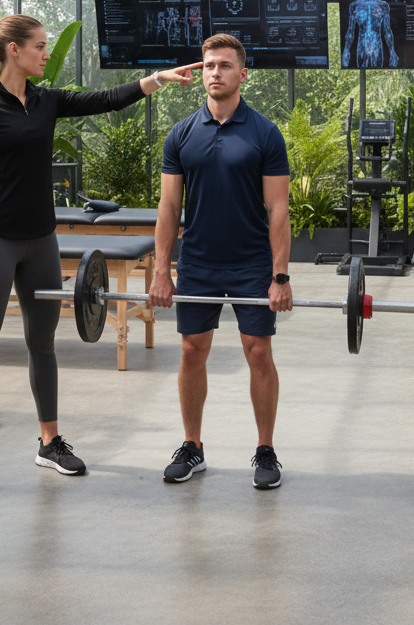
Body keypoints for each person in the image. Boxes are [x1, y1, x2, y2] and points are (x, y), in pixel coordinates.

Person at [0, 15, 200, 499]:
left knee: (44, 344)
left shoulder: (46, 101)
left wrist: (156, 80)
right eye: (40, 46)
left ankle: (49, 441)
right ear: (13, 51)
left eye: (46, 46)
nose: (46, 54)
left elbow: (103, 100)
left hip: (42, 238)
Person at [148, 33, 292, 490]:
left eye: (225, 66)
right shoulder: (181, 134)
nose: (215, 73)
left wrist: (280, 276)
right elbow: (169, 209)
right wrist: (161, 271)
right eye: (209, 65)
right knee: (192, 351)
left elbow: (279, 209)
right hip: (199, 262)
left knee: (258, 352)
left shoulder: (265, 133)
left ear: (242, 74)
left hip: (252, 263)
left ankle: (265, 450)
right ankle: (193, 446)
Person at [342, 0, 399, 69]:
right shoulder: (355, 5)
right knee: (361, 69)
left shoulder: (383, 5)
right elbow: (350, 31)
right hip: (361, 46)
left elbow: (387, 31)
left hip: (376, 45)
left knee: (378, 71)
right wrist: (346, 49)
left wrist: (392, 51)